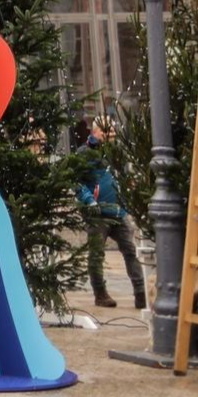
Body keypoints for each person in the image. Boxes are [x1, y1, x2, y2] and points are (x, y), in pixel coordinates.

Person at [74, 119, 146, 309]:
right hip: (97, 213)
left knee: (131, 251)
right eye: (108, 132)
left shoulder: (117, 152)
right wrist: (89, 200)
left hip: (118, 210)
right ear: (96, 131)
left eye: (114, 132)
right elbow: (77, 182)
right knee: (97, 254)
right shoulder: (84, 153)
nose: (112, 135)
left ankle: (140, 293)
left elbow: (124, 175)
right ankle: (100, 293)